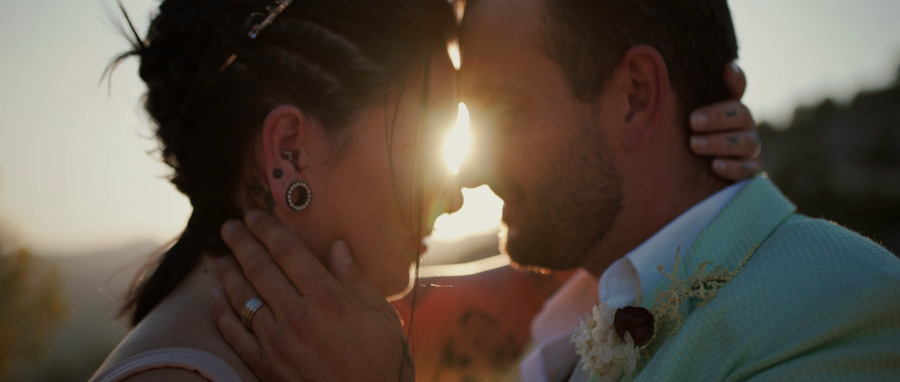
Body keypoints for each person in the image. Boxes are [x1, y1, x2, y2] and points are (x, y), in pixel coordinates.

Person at [211, 0, 900, 381]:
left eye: (502, 111)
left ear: (634, 98)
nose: (470, 175)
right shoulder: (568, 304)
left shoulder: (840, 314)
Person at [91, 0, 758, 381]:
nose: (457, 191)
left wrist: (687, 172)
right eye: (424, 135)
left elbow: (567, 285)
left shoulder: (334, 333)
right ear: (289, 152)